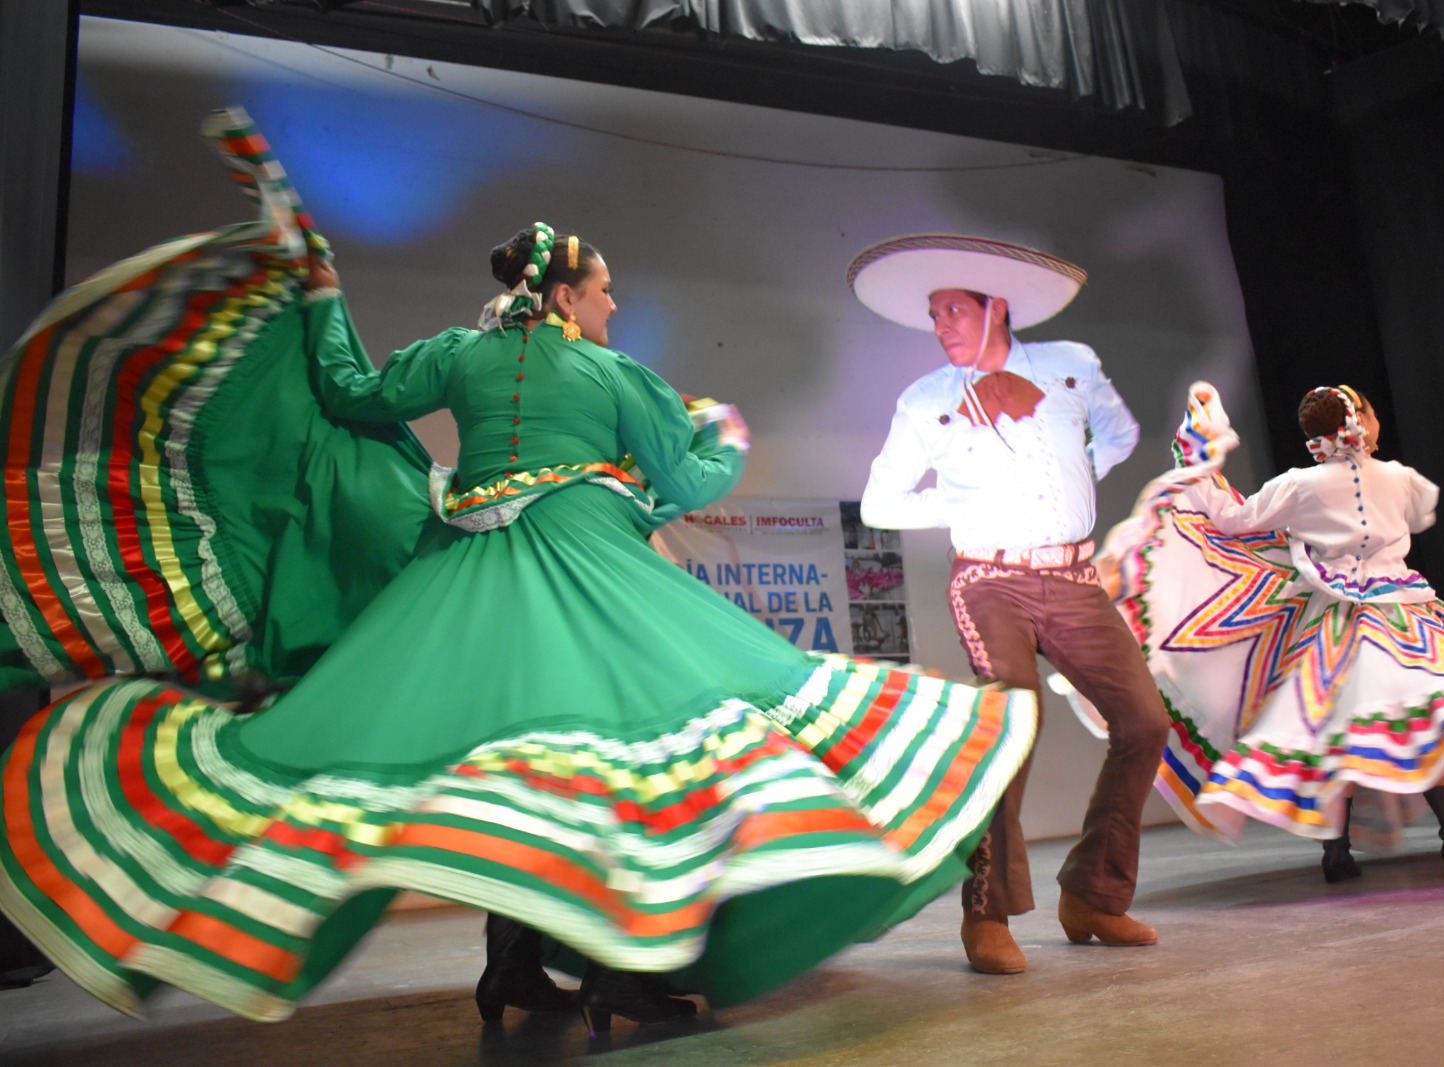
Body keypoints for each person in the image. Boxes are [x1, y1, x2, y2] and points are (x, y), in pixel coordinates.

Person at [0, 114, 1037, 1029]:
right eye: (605, 289)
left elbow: (354, 394)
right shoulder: (613, 370)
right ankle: (622, 977)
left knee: (514, 756)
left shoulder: (458, 353)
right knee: (623, 758)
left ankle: (513, 967)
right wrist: (722, 434)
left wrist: (319, 294)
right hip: (586, 570)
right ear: (568, 294)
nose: (616, 304)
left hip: (470, 573)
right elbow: (673, 483)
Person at [1094, 381, 1444, 879]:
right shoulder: (1401, 478)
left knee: (1330, 733)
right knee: (1441, 722)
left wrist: (1202, 464)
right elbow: (1422, 512)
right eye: (1372, 414)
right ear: (1358, 423)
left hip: (1335, 624)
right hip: (1411, 618)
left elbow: (1230, 521)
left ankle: (1336, 852)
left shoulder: (1299, 484)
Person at [849, 234, 1170, 975]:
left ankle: (1093, 895)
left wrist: (1073, 478)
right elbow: (880, 501)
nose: (940, 326)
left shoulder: (1070, 365)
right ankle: (985, 911)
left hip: (1075, 577)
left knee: (1145, 721)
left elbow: (1120, 431)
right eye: (933, 314)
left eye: (953, 310)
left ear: (997, 307)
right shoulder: (925, 399)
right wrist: (965, 502)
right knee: (1013, 722)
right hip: (989, 578)